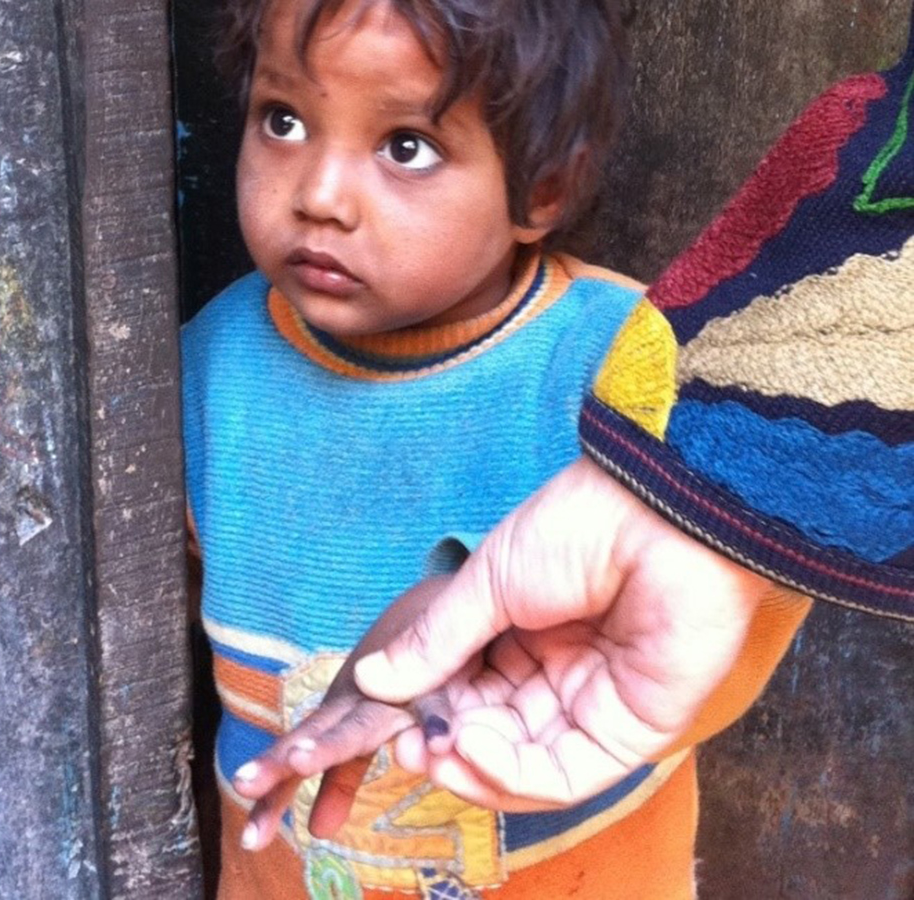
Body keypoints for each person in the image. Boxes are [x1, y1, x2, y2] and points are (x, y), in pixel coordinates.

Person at [233, 5, 914, 885]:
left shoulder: (637, 365)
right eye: (282, 120)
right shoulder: (207, 362)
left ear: (542, 187)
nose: (318, 194)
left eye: (406, 146)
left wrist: (448, 630)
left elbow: (751, 590)